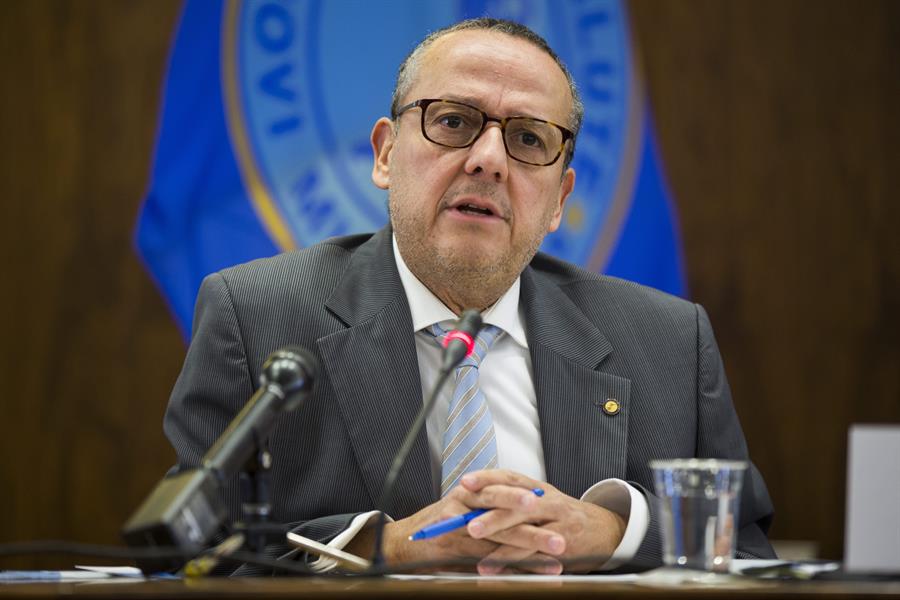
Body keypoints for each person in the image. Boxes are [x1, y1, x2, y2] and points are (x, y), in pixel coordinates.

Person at [164, 18, 775, 575]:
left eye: (528, 139)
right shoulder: (256, 317)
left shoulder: (669, 342)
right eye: (454, 122)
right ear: (385, 154)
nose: (488, 161)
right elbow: (197, 561)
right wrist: (391, 546)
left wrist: (614, 531)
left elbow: (746, 555)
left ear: (559, 199)